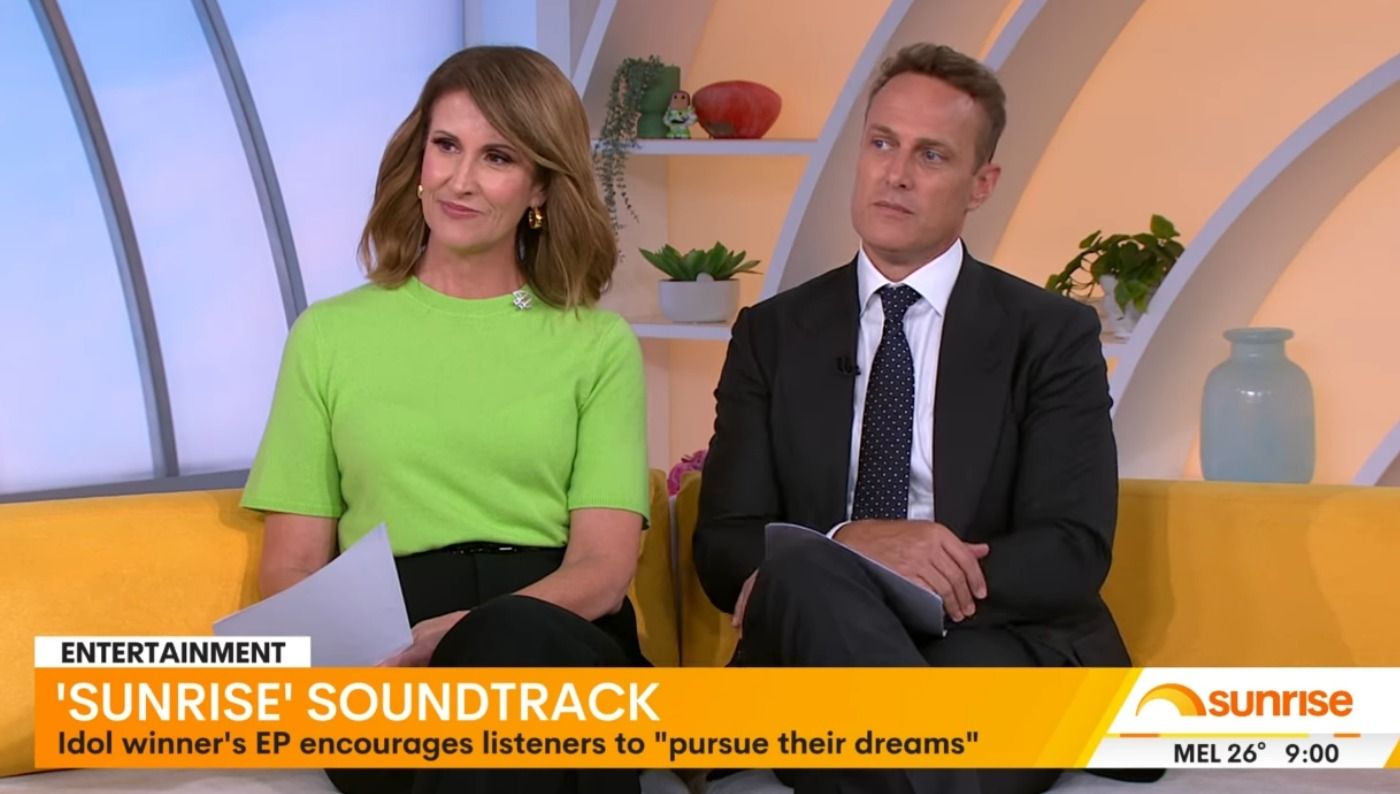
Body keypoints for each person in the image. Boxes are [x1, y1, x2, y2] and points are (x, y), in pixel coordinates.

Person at [694, 43, 1149, 794]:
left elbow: (1071, 550)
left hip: (993, 640)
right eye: (881, 144)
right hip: (817, 635)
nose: (896, 174)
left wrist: (911, 575)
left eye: (931, 155)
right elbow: (723, 544)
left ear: (981, 184)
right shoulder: (772, 334)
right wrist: (851, 546)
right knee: (804, 571)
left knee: (881, 703)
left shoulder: (1048, 335)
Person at [241, 46, 649, 794]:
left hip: (556, 640)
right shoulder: (327, 336)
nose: (460, 180)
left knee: (512, 651)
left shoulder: (598, 344)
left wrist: (469, 629)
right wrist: (373, 656)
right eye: (447, 146)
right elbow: (290, 566)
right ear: (418, 160)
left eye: (498, 157)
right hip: (393, 661)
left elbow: (603, 570)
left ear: (541, 186)